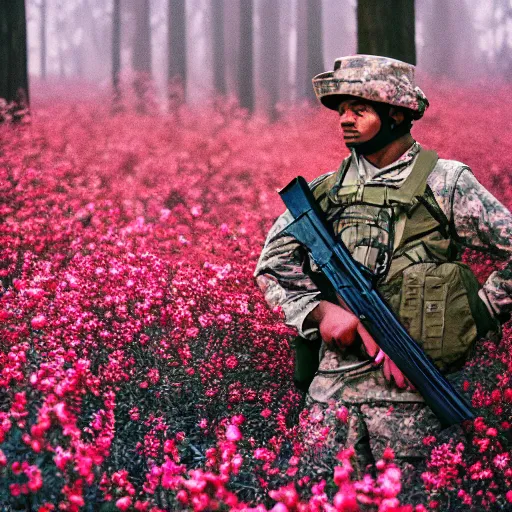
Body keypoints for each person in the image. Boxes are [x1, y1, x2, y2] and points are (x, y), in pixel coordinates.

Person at [254, 55, 512, 478]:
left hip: (415, 404)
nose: (345, 120)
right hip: (329, 407)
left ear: (397, 113)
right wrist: (320, 312)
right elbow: (272, 266)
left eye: (359, 109)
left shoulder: (446, 183)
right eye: (341, 111)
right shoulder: (323, 193)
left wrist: (476, 314)